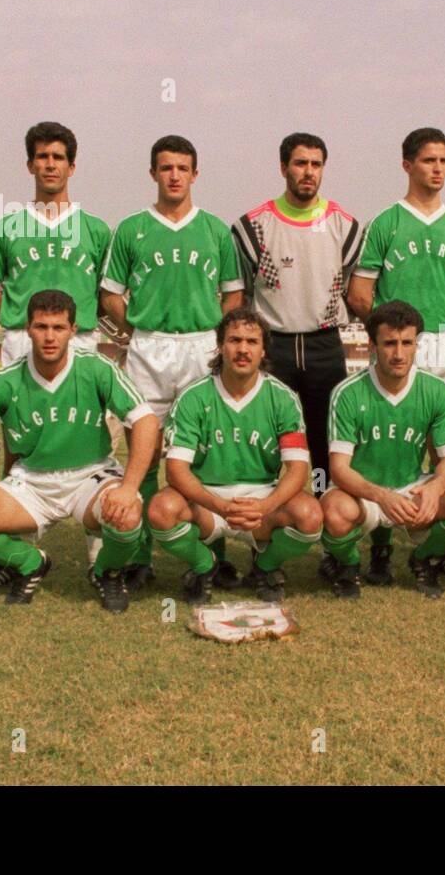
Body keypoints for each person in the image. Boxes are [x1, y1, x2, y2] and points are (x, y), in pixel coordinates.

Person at [0, 289, 158, 610]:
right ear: (28, 328)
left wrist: (129, 487)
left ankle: (107, 570)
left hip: (91, 476)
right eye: (41, 327)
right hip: (31, 483)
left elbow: (145, 421)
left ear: (73, 330)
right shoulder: (7, 379)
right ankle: (29, 562)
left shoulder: (96, 368)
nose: (50, 336)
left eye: (59, 327)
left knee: (127, 513)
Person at [100, 134, 244, 591]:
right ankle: (139, 555)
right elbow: (109, 294)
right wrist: (136, 330)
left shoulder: (216, 230)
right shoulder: (131, 229)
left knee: (205, 456)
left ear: (195, 174)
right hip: (148, 348)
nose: (175, 175)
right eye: (166, 168)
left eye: (183, 168)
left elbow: (234, 295)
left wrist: (216, 342)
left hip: (202, 346)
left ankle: (211, 554)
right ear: (153, 174)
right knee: (142, 456)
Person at [344, 128, 445, 583]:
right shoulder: (386, 224)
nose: (437, 169)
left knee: (444, 450)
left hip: (442, 342)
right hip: (396, 345)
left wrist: (428, 330)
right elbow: (360, 293)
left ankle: (433, 549)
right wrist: (396, 331)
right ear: (407, 165)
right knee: (382, 446)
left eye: (443, 160)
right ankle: (380, 546)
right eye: (427, 161)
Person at [148, 308, 323, 605]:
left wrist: (265, 505)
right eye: (234, 340)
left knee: (311, 516)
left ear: (263, 349)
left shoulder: (282, 398)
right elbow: (177, 470)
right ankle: (205, 566)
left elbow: (297, 470)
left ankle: (264, 568)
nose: (243, 349)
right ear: (220, 346)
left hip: (261, 499)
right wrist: (220, 506)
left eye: (252, 342)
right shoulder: (194, 397)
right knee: (160, 510)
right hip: (207, 500)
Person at [230, 133, 362, 497]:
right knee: (269, 437)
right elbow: (240, 295)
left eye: (316, 165)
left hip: (325, 345)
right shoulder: (251, 225)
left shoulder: (345, 225)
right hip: (273, 347)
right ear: (283, 167)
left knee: (324, 440)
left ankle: (324, 508)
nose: (308, 172)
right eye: (300, 163)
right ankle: (264, 522)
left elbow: (352, 288)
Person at [320, 301, 445, 600]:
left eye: (407, 343)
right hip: (363, 492)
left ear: (416, 344)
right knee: (334, 512)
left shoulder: (436, 391)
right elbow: (339, 470)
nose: (398, 353)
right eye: (389, 343)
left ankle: (424, 557)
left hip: (411, 489)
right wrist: (381, 495)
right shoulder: (347, 393)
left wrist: (434, 489)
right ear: (372, 345)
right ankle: (349, 565)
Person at [0, 121, 112, 366]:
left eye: (58, 157)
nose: (50, 164)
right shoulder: (6, 228)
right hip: (21, 342)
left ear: (71, 167)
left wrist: (76, 320)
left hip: (80, 341)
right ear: (30, 165)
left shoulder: (97, 230)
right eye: (42, 156)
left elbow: (106, 297)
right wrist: (22, 318)